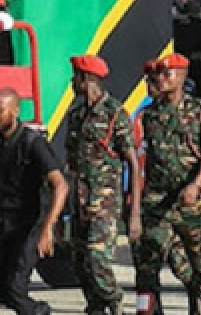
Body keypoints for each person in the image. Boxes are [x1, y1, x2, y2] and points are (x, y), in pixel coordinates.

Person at [134, 53, 201, 315]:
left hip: (192, 202)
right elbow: (141, 159)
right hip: (157, 200)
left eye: (167, 73)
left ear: (182, 76)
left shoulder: (200, 111)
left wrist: (196, 184)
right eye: (159, 74)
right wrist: (136, 203)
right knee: (147, 264)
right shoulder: (149, 115)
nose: (161, 78)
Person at [0, 87, 68, 315]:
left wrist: (48, 229)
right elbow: (0, 185)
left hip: (31, 223)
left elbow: (60, 185)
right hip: (5, 220)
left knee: (15, 287)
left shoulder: (33, 143)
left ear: (15, 111)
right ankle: (38, 311)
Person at [64, 53, 141, 315]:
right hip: (80, 202)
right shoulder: (76, 116)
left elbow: (133, 160)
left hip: (105, 203)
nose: (72, 83)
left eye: (75, 78)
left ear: (86, 80)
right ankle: (96, 307)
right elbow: (71, 162)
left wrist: (134, 210)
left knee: (98, 260)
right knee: (80, 264)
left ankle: (114, 300)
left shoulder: (115, 114)